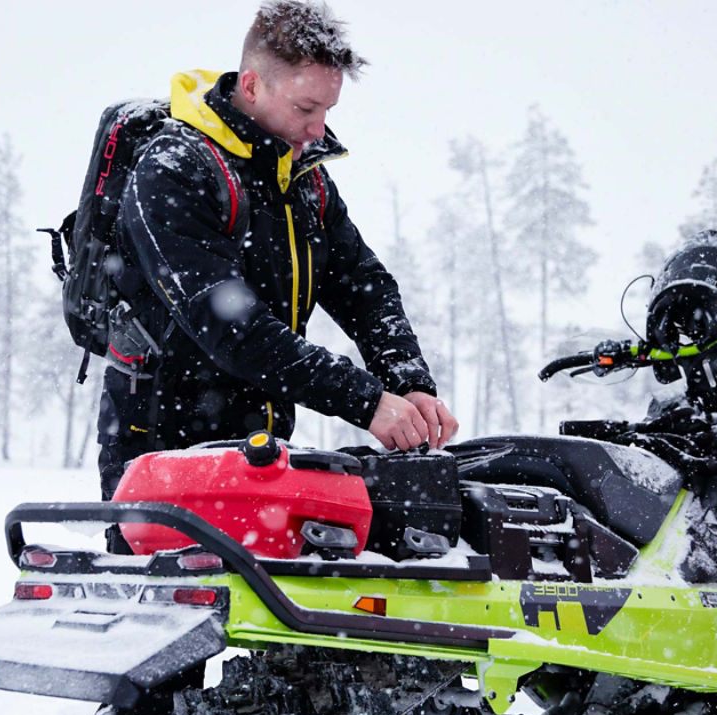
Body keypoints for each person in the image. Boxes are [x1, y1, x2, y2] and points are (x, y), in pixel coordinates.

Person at [96, 0, 458, 498]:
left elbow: (364, 288)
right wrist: (367, 401)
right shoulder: (175, 170)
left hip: (262, 449)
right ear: (251, 86)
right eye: (305, 109)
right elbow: (230, 325)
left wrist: (407, 381)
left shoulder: (303, 180)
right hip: (163, 450)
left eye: (327, 110)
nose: (318, 129)